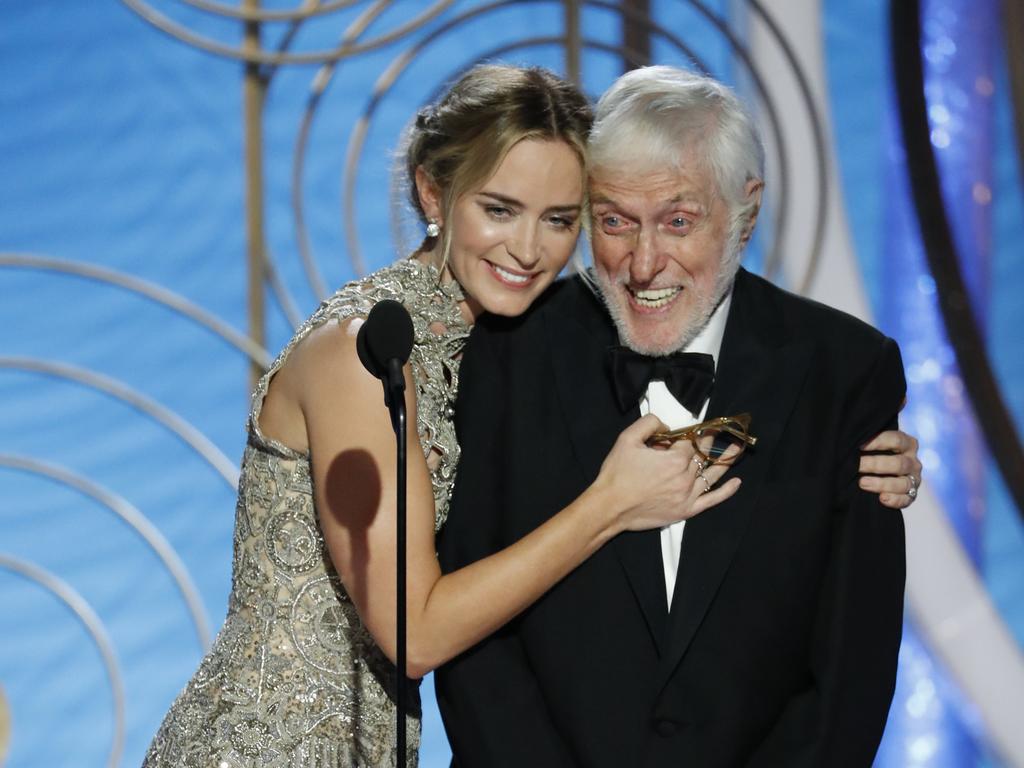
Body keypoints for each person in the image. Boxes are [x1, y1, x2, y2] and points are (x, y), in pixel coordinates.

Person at [143, 65, 919, 768]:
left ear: (744, 215)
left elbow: (848, 662)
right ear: (432, 195)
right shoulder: (365, 353)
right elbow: (419, 635)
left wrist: (885, 463)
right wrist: (611, 505)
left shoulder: (481, 336)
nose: (528, 248)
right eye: (500, 208)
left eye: (558, 218)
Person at [436, 66, 917, 767]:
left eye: (679, 221)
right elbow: (478, 654)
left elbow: (852, 668)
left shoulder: (846, 374)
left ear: (745, 213)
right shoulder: (505, 355)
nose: (644, 264)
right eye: (614, 223)